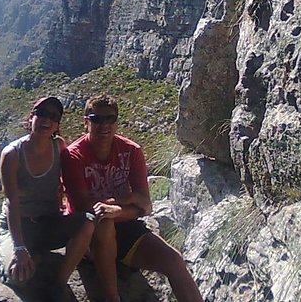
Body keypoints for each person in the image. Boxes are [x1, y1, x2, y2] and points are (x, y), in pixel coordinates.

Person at [61, 95, 203, 302]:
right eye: (96, 119)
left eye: (110, 119)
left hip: (124, 226)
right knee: (104, 223)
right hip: (85, 233)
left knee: (173, 261)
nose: (104, 125)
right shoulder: (73, 156)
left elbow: (145, 205)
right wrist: (128, 203)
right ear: (86, 121)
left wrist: (118, 208)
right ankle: (112, 297)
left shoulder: (131, 151)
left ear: (117, 122)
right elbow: (85, 207)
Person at [0, 96, 95, 293]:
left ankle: (59, 283)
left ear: (57, 124)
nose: (46, 120)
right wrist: (19, 248)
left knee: (87, 222)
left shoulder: (58, 147)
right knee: (19, 276)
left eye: (53, 116)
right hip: (20, 226)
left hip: (48, 223)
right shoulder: (12, 154)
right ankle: (27, 255)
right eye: (41, 114)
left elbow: (65, 186)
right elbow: (11, 202)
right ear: (32, 117)